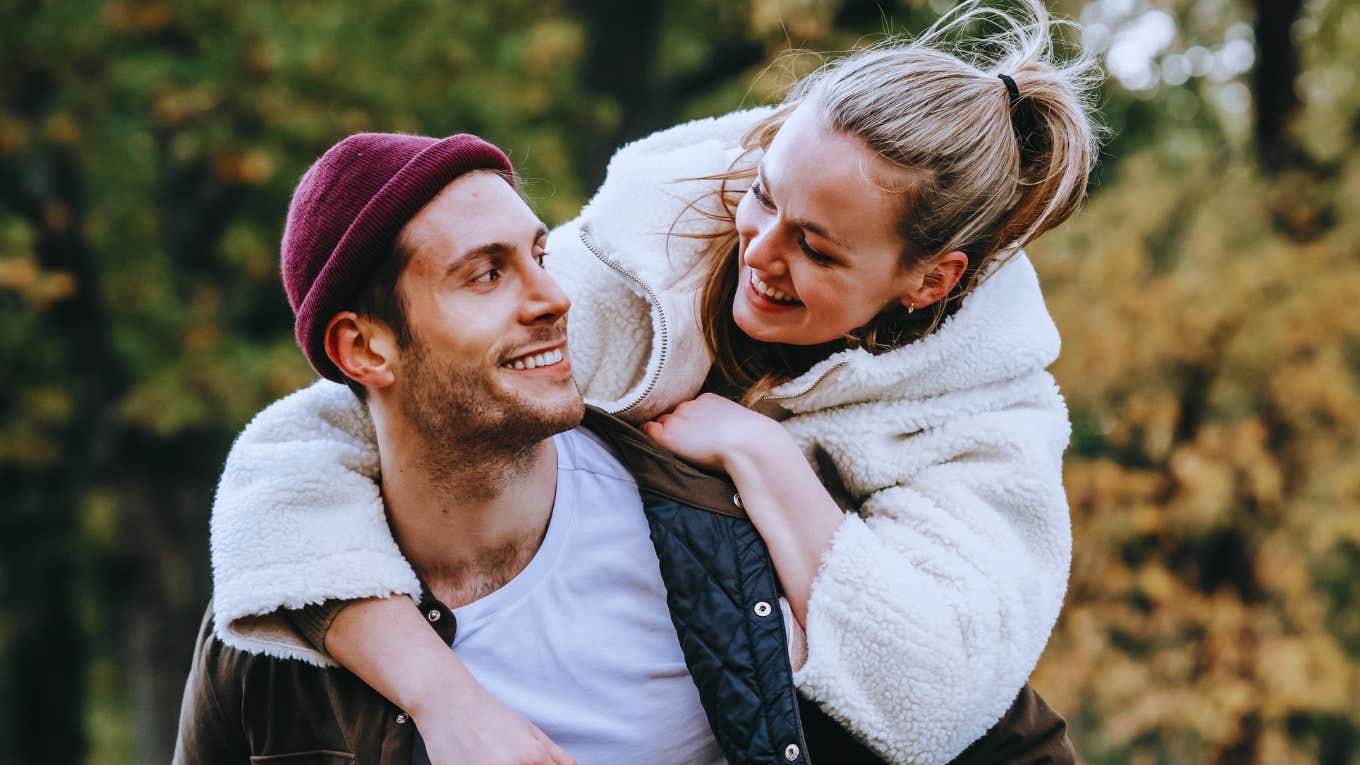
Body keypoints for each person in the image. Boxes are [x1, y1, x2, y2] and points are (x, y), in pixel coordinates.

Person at [207, 1, 1097, 763]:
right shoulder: (644, 268)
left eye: (816, 247)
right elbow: (319, 451)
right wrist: (448, 698)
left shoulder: (981, 419)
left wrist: (762, 456)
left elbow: (936, 694)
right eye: (765, 193)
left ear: (930, 280)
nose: (761, 249)